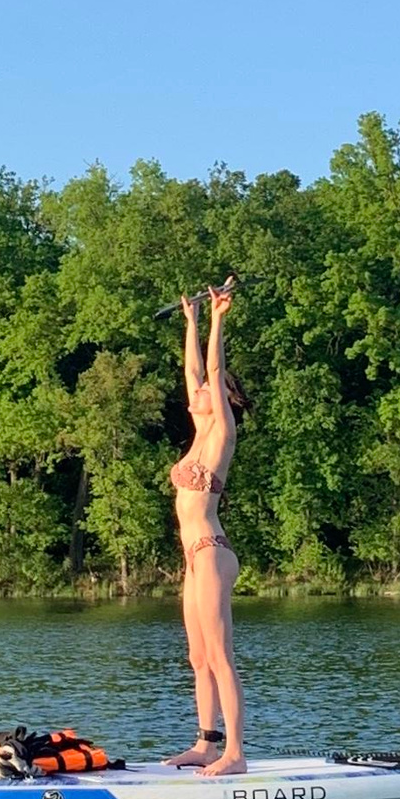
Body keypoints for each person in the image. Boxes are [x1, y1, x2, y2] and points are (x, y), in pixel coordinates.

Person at [166, 280, 248, 773]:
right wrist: (191, 322)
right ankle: (206, 743)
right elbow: (194, 369)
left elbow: (212, 371)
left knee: (220, 655)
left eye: (205, 392)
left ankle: (235, 754)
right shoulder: (197, 436)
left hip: (212, 550)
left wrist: (217, 319)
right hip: (191, 559)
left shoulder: (222, 434)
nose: (195, 390)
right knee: (198, 657)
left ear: (222, 400)